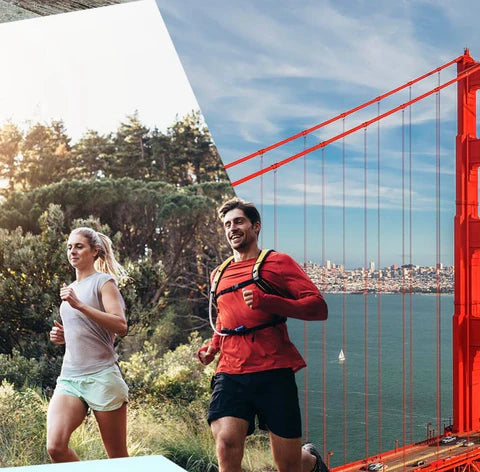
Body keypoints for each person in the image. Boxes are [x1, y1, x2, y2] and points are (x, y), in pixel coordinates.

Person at [198, 198, 329, 472]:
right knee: (226, 443)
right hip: (230, 372)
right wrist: (213, 347)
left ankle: (312, 462)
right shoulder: (218, 274)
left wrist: (268, 301)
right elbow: (225, 316)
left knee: (289, 465)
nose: (232, 228)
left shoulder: (278, 262)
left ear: (256, 226)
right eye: (227, 224)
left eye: (239, 221)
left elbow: (318, 307)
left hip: (273, 370)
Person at [47, 227, 129, 462]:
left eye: (79, 246)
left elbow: (120, 325)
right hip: (70, 378)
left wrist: (79, 305)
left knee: (119, 459)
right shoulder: (70, 289)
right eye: (69, 247)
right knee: (55, 447)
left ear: (95, 251)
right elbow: (86, 329)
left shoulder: (104, 283)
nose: (72, 251)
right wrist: (64, 335)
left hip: (102, 376)